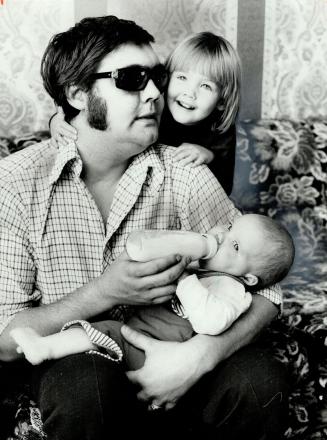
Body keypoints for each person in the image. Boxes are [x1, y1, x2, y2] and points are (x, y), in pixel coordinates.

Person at [0, 16, 289, 440]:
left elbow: (265, 288)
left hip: (179, 350)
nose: (156, 92)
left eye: (155, 76)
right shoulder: (16, 184)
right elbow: (5, 339)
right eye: (132, 79)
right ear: (78, 94)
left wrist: (202, 355)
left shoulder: (186, 172)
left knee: (259, 379)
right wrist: (106, 292)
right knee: (85, 387)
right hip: (81, 367)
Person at [10, 213, 295, 371]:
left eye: (235, 246)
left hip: (159, 349)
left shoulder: (234, 289)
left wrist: (184, 280)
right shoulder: (204, 265)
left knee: (105, 332)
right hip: (140, 328)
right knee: (101, 330)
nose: (222, 236)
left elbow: (211, 321)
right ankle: (42, 344)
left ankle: (44, 347)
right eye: (230, 226)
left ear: (248, 277)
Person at [49, 31, 240, 195]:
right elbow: (85, 107)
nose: (189, 93)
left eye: (206, 85)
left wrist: (210, 156)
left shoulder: (221, 131)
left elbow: (223, 188)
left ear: (222, 101)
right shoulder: (154, 105)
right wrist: (56, 120)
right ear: (165, 79)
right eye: (181, 77)